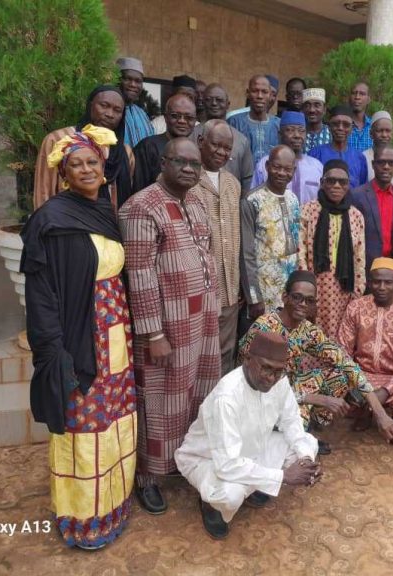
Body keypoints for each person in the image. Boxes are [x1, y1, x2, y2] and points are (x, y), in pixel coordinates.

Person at [20, 125, 136, 549]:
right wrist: (53, 348)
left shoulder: (105, 211)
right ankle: (85, 518)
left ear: (103, 168)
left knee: (115, 419)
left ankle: (115, 504)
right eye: (76, 164)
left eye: (92, 162)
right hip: (80, 339)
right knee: (85, 425)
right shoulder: (51, 221)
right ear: (63, 174)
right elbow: (42, 293)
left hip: (117, 335)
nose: (86, 169)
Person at [119, 137, 221, 514]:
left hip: (202, 321)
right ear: (163, 163)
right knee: (160, 400)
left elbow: (206, 253)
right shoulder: (141, 207)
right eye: (181, 162)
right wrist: (154, 333)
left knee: (196, 395)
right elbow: (139, 273)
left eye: (195, 164)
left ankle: (183, 460)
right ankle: (147, 476)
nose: (189, 170)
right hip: (167, 327)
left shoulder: (195, 201)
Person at [174, 332, 321, 539]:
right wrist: (283, 476)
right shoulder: (227, 396)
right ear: (248, 359)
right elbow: (227, 464)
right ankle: (210, 504)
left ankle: (256, 485)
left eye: (277, 371)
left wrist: (306, 462)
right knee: (230, 495)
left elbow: (292, 423)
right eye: (266, 368)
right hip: (209, 460)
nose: (271, 377)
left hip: (251, 450)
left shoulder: (279, 382)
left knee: (306, 446)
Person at [238, 271, 393, 444]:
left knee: (341, 375)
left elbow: (345, 362)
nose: (303, 304)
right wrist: (318, 399)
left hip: (289, 388)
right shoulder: (264, 328)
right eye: (297, 298)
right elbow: (254, 385)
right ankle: (285, 437)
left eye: (309, 301)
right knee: (297, 418)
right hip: (259, 397)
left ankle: (307, 428)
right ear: (285, 297)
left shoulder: (307, 330)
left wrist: (380, 413)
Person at [337, 258, 393, 445]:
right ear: (369, 282)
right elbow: (343, 350)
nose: (382, 287)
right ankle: (364, 412)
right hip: (362, 375)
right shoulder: (356, 307)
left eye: (388, 282)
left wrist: (386, 391)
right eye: (376, 282)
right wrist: (360, 382)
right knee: (336, 391)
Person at [192, 120, 242, 376]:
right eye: (216, 145)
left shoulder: (233, 183)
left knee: (225, 352)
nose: (222, 152)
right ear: (201, 142)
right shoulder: (186, 179)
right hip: (198, 289)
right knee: (196, 354)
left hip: (229, 288)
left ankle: (220, 398)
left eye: (227, 148)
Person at [33, 85, 134, 210]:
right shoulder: (60, 140)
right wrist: (45, 219)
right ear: (90, 106)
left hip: (110, 220)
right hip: (65, 218)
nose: (110, 114)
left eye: (117, 110)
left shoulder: (125, 152)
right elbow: (44, 191)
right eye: (104, 105)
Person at [298, 159, 366, 338]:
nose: (336, 186)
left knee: (340, 337)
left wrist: (357, 292)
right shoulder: (308, 211)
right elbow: (300, 252)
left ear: (348, 185)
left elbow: (359, 257)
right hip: (314, 287)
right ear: (322, 183)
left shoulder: (356, 216)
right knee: (310, 335)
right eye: (331, 181)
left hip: (343, 290)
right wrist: (305, 290)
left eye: (342, 182)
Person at [240, 145, 300, 321]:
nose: (281, 173)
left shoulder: (293, 199)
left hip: (288, 292)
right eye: (276, 167)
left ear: (293, 171)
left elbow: (295, 246)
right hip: (263, 293)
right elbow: (246, 254)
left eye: (287, 169)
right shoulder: (252, 201)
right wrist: (254, 297)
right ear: (267, 166)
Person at [352, 144, 393, 295]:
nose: (386, 167)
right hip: (363, 273)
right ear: (373, 164)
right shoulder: (357, 196)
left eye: (391, 163)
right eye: (381, 162)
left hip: (391, 273)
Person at [252, 110, 324, 206]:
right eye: (290, 130)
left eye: (301, 131)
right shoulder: (266, 163)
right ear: (279, 134)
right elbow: (254, 199)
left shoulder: (317, 166)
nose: (297, 135)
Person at [192, 83, 254, 193]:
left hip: (230, 199)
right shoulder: (191, 135)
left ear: (228, 104)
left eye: (219, 100)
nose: (214, 103)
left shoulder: (241, 140)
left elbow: (247, 180)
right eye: (209, 100)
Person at [132, 93, 197, 192]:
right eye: (175, 116)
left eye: (189, 117)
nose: (182, 121)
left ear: (195, 120)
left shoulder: (196, 151)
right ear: (165, 117)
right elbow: (138, 190)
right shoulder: (147, 147)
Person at [309, 104, 368, 189]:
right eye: (335, 124)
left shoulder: (360, 158)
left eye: (346, 124)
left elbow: (362, 188)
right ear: (329, 127)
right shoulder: (315, 154)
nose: (340, 128)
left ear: (352, 128)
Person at [228, 75, 280, 164]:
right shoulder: (234, 122)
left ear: (270, 95)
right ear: (247, 93)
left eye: (264, 92)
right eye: (255, 91)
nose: (260, 96)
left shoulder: (278, 125)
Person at [116, 57, 154, 147]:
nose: (133, 85)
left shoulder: (142, 114)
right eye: (128, 79)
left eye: (138, 81)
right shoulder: (109, 112)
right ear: (117, 80)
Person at [363, 111, 393, 185]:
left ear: (392, 134)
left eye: (388, 131)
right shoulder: (363, 159)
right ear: (371, 133)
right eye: (380, 131)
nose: (384, 135)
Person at [302, 88, 331, 153]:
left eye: (317, 105)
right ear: (303, 109)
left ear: (324, 110)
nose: (312, 110)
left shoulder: (331, 133)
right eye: (307, 105)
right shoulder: (298, 133)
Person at [347, 81, 372, 152]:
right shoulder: (342, 126)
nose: (357, 97)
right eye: (354, 93)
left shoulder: (374, 127)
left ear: (368, 99)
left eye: (362, 94)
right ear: (349, 98)